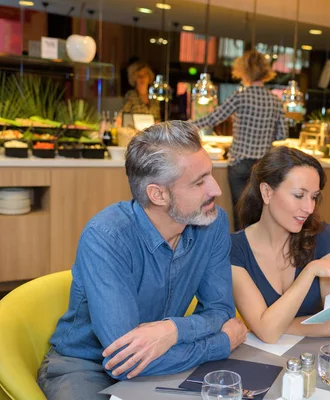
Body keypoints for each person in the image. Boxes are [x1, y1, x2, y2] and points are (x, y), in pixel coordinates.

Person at [37, 121, 247, 400]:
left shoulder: (213, 222)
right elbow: (126, 361)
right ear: (158, 194)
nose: (216, 190)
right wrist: (220, 343)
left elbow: (220, 310)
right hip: (85, 367)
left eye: (210, 175)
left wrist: (171, 330)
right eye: (199, 182)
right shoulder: (106, 236)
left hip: (166, 354)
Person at [230, 146, 330, 344]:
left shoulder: (322, 237)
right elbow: (268, 333)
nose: (309, 208)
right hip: (266, 363)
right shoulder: (234, 249)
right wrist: (310, 271)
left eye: (313, 197)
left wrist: (269, 325)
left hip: (319, 361)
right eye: (298, 195)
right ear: (267, 192)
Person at [192, 50, 288, 230]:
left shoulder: (241, 96)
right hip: (264, 165)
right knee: (259, 213)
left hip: (240, 163)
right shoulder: (275, 101)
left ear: (244, 70)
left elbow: (213, 119)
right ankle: (258, 254)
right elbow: (282, 134)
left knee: (241, 213)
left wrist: (186, 125)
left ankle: (239, 255)